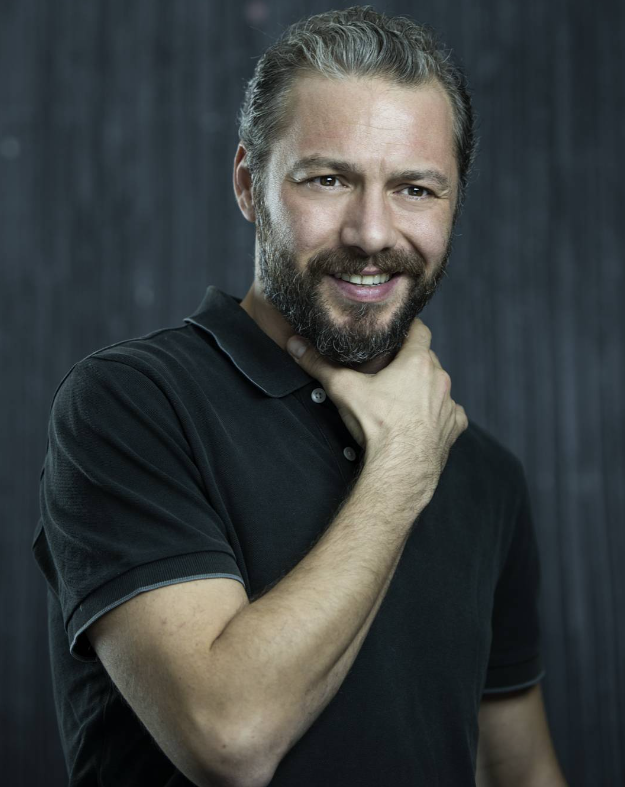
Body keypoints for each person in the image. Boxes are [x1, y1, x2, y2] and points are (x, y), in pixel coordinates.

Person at [32, 6, 568, 786]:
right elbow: (228, 737)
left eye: (415, 188)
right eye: (328, 179)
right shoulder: (131, 405)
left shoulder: (484, 472)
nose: (372, 232)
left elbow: (517, 767)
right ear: (249, 184)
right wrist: (399, 470)